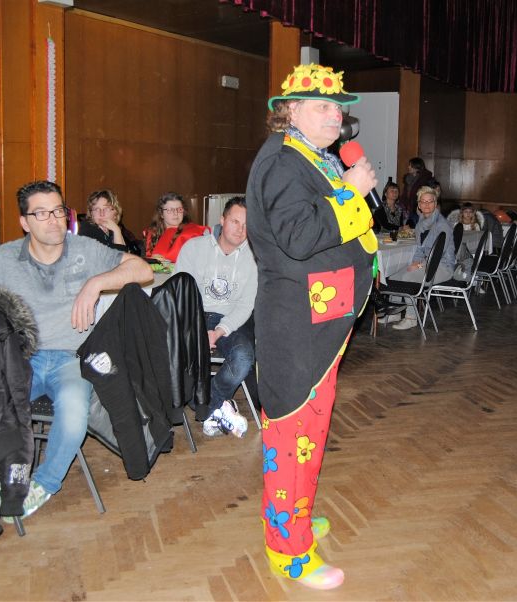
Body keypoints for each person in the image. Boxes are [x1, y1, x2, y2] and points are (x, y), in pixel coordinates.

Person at [246, 63, 378, 590]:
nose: (335, 117)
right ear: (291, 111)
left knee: (311, 433)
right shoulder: (283, 161)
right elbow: (301, 238)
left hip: (321, 317)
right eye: (323, 106)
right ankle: (288, 549)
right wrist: (350, 191)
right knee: (293, 431)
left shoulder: (310, 154)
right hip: (297, 323)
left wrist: (344, 187)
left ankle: (293, 517)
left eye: (338, 109)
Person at [0, 180, 153, 520]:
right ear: (24, 222)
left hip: (72, 358)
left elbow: (142, 269)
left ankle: (43, 483)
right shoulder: (4, 259)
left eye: (58, 211)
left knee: (74, 415)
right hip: (23, 357)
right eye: (41, 213)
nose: (54, 220)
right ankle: (3, 476)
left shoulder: (84, 249)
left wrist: (95, 283)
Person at [175, 196, 257, 438]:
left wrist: (219, 330)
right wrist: (198, 328)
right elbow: (182, 296)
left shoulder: (254, 258)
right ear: (222, 220)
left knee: (244, 357)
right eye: (235, 222)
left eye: (246, 225)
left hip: (231, 321)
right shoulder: (193, 248)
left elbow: (245, 305)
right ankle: (218, 408)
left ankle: (203, 403)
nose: (240, 230)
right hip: (193, 318)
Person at [382, 186, 456, 331]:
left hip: (442, 266)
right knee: (393, 275)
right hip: (427, 263)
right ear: (419, 205)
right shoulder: (422, 222)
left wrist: (419, 266)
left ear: (435, 204)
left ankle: (411, 318)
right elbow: (420, 248)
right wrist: (415, 262)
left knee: (408, 277)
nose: (427, 205)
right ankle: (395, 313)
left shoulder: (442, 226)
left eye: (430, 201)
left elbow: (437, 255)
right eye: (423, 201)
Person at [143, 192, 209, 263]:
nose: (175, 213)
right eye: (170, 210)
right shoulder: (151, 234)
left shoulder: (194, 233)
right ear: (161, 214)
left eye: (179, 209)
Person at [77, 189, 142, 255]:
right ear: (91, 214)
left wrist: (116, 230)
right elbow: (119, 258)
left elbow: (127, 254)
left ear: (115, 213)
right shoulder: (87, 230)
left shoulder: (110, 231)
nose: (101, 213)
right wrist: (116, 230)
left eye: (106, 209)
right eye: (96, 209)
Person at [401, 157, 432, 227]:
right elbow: (405, 194)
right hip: (408, 209)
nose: (408, 167)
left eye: (410, 165)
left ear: (416, 167)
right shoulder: (408, 179)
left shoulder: (425, 179)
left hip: (419, 209)